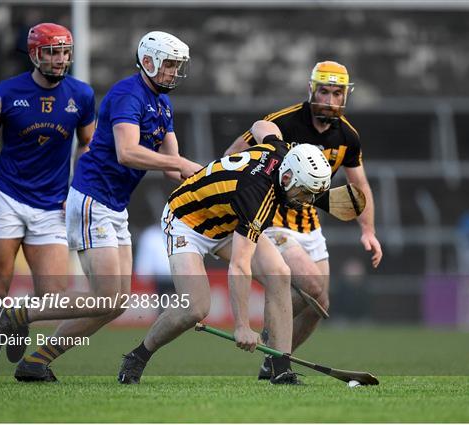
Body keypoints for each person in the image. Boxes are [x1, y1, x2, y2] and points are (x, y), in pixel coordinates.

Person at [0, 31, 202, 382]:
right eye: (170, 65)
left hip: (115, 206)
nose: (175, 72)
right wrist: (180, 164)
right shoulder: (127, 94)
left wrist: (207, 183)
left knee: (116, 302)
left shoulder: (163, 104)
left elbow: (175, 161)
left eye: (178, 66)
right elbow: (127, 152)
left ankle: (36, 362)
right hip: (92, 199)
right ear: (149, 62)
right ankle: (17, 312)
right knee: (104, 296)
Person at [118, 120, 332, 386]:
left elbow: (261, 125)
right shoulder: (257, 196)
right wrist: (242, 325)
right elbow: (240, 266)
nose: (304, 202)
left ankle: (280, 368)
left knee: (279, 273)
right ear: (287, 177)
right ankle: (138, 356)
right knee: (195, 307)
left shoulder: (282, 151)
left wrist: (227, 163)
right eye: (303, 192)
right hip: (187, 221)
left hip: (227, 219)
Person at [0, 23, 96, 382]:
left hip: (52, 205)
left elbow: (88, 144)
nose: (60, 59)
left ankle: (20, 330)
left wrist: (77, 188)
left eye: (65, 51)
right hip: (7, 198)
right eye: (52, 52)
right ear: (34, 54)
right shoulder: (6, 93)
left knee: (53, 297)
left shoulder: (81, 95)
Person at [224, 61, 383, 379]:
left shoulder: (347, 136)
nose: (330, 99)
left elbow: (359, 186)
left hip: (310, 224)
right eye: (324, 91)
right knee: (310, 284)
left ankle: (274, 361)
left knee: (319, 303)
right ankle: (274, 339)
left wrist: (368, 229)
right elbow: (233, 155)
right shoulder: (283, 122)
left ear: (345, 96)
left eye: (337, 93)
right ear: (312, 90)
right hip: (273, 219)